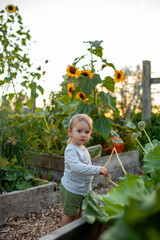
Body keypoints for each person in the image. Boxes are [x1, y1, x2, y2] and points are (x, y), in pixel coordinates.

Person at [60, 114, 108, 226]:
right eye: (79, 131)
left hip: (84, 189)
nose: (83, 135)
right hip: (72, 189)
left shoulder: (83, 148)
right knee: (70, 214)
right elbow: (77, 167)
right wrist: (97, 169)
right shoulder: (70, 150)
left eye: (87, 132)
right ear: (70, 132)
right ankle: (62, 234)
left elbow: (87, 164)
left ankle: (75, 232)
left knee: (82, 211)